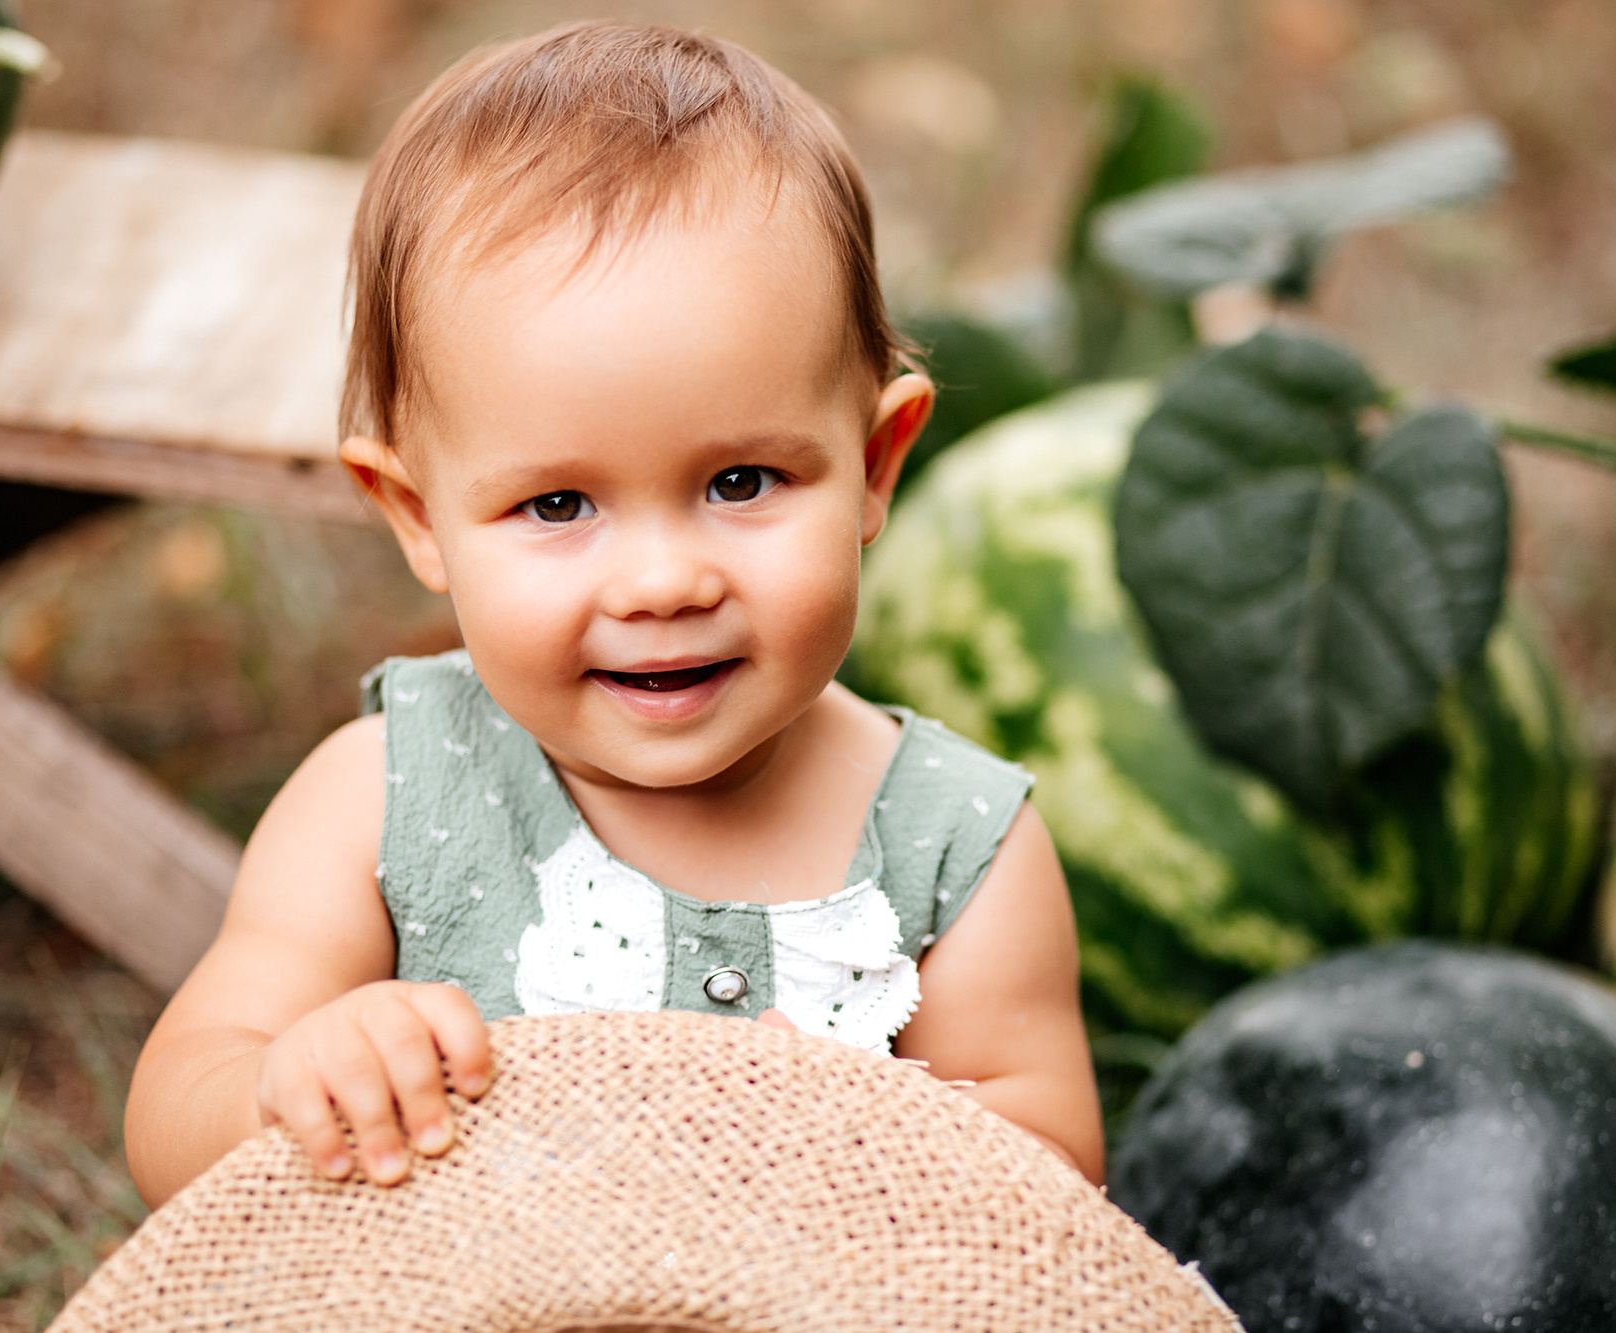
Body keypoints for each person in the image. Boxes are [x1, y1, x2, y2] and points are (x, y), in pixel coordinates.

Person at [124, 20, 1102, 1208]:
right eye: (556, 503)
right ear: (417, 514)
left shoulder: (958, 850)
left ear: (875, 464)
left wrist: (869, 1133)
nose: (660, 583)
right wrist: (291, 1076)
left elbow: (1054, 1174)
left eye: (741, 483)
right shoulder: (383, 799)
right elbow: (175, 1112)